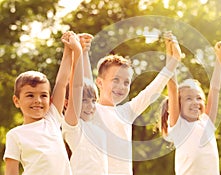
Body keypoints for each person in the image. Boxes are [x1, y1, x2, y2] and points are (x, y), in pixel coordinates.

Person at [88, 32, 181, 175]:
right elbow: (80, 85)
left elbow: (152, 89)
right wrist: (79, 51)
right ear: (99, 82)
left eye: (126, 82)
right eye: (116, 80)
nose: (121, 86)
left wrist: (174, 59)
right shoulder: (91, 111)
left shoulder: (126, 112)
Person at [3, 31, 82, 175]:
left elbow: (62, 82)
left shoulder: (51, 118)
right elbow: (11, 172)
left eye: (43, 95)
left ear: (50, 99)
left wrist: (68, 49)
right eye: (30, 95)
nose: (37, 101)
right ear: (17, 101)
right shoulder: (14, 135)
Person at [160, 41, 221, 175]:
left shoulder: (207, 123)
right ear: (178, 105)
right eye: (189, 98)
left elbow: (215, 89)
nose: (195, 102)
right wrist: (170, 54)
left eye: (199, 98)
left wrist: (219, 60)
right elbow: (172, 88)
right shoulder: (179, 126)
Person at [62, 33, 108, 175]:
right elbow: (77, 87)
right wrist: (77, 52)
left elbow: (87, 82)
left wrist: (85, 51)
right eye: (84, 101)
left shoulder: (93, 123)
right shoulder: (73, 127)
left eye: (93, 101)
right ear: (67, 104)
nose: (91, 106)